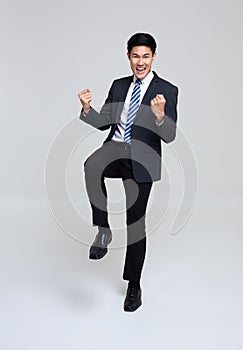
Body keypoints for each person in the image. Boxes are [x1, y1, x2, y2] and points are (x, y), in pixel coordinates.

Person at [77, 32, 178, 312]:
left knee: (135, 224)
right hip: (116, 149)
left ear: (154, 57)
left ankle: (134, 284)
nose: (140, 61)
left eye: (146, 56)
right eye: (136, 56)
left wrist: (159, 116)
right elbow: (103, 122)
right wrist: (87, 109)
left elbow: (169, 135)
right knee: (91, 165)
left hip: (142, 158)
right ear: (128, 57)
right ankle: (103, 230)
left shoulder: (167, 90)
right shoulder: (119, 85)